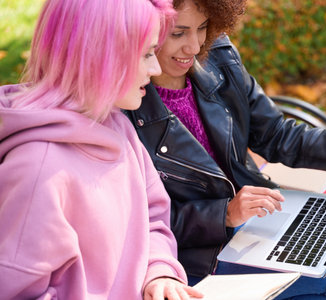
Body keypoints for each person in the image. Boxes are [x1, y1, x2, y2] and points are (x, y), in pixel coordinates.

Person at [124, 0, 326, 298]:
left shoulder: (216, 54)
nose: (194, 46)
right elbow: (142, 221)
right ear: (146, 31)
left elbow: (277, 134)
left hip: (253, 231)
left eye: (203, 28)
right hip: (193, 259)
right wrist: (223, 214)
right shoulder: (125, 105)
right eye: (178, 33)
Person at [0, 0, 203, 299]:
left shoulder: (117, 126)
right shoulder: (38, 170)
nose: (156, 67)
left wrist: (159, 274)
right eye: (147, 54)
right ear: (100, 58)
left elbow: (153, 219)